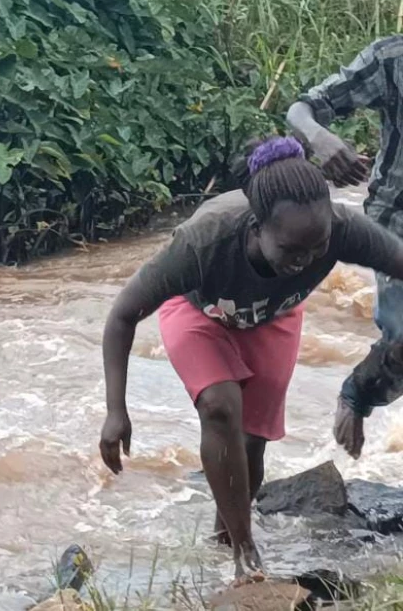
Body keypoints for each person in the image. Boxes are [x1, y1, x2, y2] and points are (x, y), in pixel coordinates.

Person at [97, 136, 403, 585]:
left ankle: (225, 535)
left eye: (316, 249)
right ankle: (246, 553)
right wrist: (115, 411)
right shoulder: (204, 240)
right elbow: (123, 315)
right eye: (291, 251)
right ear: (256, 226)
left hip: (274, 318)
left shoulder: (340, 228)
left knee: (253, 440)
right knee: (220, 406)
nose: (305, 261)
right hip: (200, 313)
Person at [286, 36, 403, 458]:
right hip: (397, 223)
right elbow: (301, 109)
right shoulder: (392, 59)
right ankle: (358, 395)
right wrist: (321, 140)